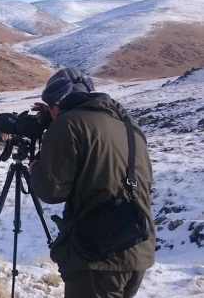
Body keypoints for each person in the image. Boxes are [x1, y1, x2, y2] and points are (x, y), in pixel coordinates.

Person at [28, 68, 155, 298]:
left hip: (98, 255)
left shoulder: (67, 125)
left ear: (57, 104)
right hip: (137, 247)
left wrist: (35, 166)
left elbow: (52, 190)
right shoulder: (128, 124)